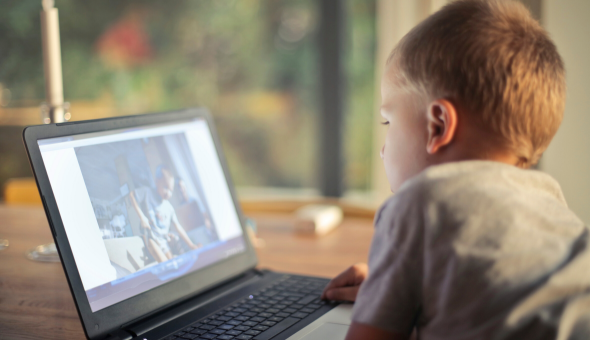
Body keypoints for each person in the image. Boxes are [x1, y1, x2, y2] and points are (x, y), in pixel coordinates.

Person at [321, 1, 590, 339]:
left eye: (387, 120)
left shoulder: (420, 204)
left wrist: (380, 310)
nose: (383, 148)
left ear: (438, 126)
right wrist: (393, 290)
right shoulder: (552, 203)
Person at [129, 164, 200, 263]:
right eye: (165, 187)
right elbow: (132, 195)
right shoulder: (147, 192)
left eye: (171, 190)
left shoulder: (169, 208)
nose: (168, 193)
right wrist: (142, 217)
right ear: (157, 182)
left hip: (164, 242)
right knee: (165, 264)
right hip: (151, 237)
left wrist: (191, 245)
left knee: (173, 264)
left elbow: (178, 227)